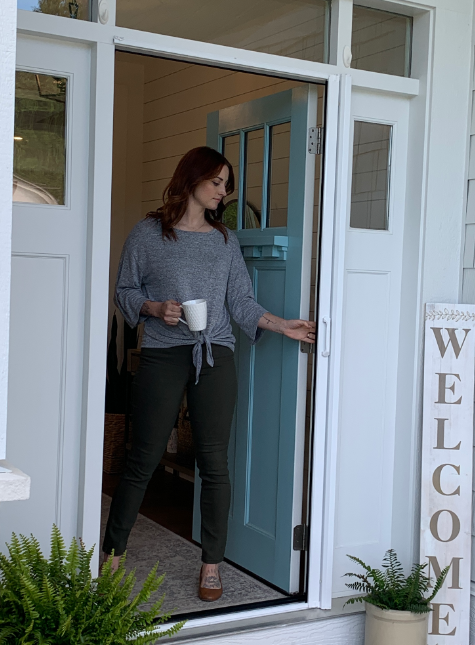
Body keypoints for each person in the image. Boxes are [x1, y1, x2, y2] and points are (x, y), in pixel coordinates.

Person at [102, 146, 316, 602]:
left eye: (226, 184)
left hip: (215, 353)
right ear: (192, 178)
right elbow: (124, 290)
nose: (223, 191)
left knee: (214, 463)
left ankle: (211, 564)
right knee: (144, 458)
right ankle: (113, 553)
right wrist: (154, 308)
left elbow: (240, 301)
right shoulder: (147, 234)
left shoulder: (224, 241)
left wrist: (283, 326)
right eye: (217, 182)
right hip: (163, 353)